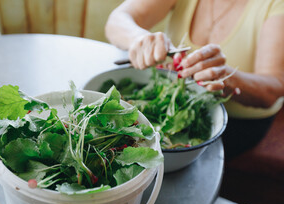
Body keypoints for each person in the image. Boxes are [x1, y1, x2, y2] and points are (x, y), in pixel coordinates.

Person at [105, 0, 284, 160]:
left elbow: (273, 89)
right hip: (171, 101)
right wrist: (140, 39)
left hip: (237, 121)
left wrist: (228, 78)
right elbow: (118, 20)